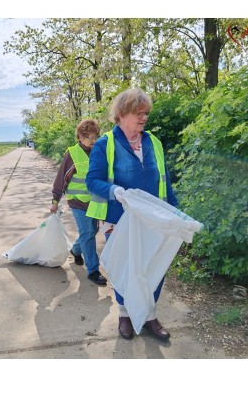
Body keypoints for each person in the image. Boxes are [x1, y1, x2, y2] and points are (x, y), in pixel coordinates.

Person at [85, 87, 179, 340]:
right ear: (122, 114)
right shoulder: (106, 143)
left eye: (146, 113)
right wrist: (116, 191)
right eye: (139, 113)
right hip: (118, 218)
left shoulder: (153, 142)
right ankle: (125, 315)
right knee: (125, 269)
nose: (144, 118)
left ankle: (149, 316)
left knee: (153, 267)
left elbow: (165, 180)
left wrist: (176, 213)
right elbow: (92, 181)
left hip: (154, 218)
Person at [49, 119, 107, 285]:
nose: (93, 140)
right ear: (80, 136)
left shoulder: (98, 151)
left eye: (95, 136)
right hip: (78, 202)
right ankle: (93, 270)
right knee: (88, 233)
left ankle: (75, 250)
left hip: (95, 201)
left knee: (92, 231)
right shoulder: (72, 154)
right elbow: (61, 179)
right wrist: (55, 201)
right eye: (89, 137)